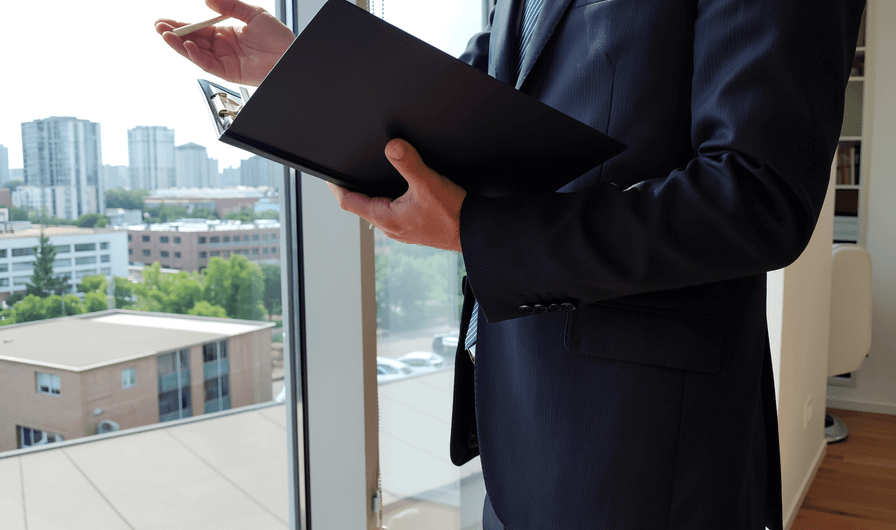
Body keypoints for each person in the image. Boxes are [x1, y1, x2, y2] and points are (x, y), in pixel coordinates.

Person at [157, 0, 866, 527]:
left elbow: (757, 196)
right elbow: (472, 107)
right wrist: (306, 71)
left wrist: (482, 231)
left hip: (647, 453)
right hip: (519, 420)